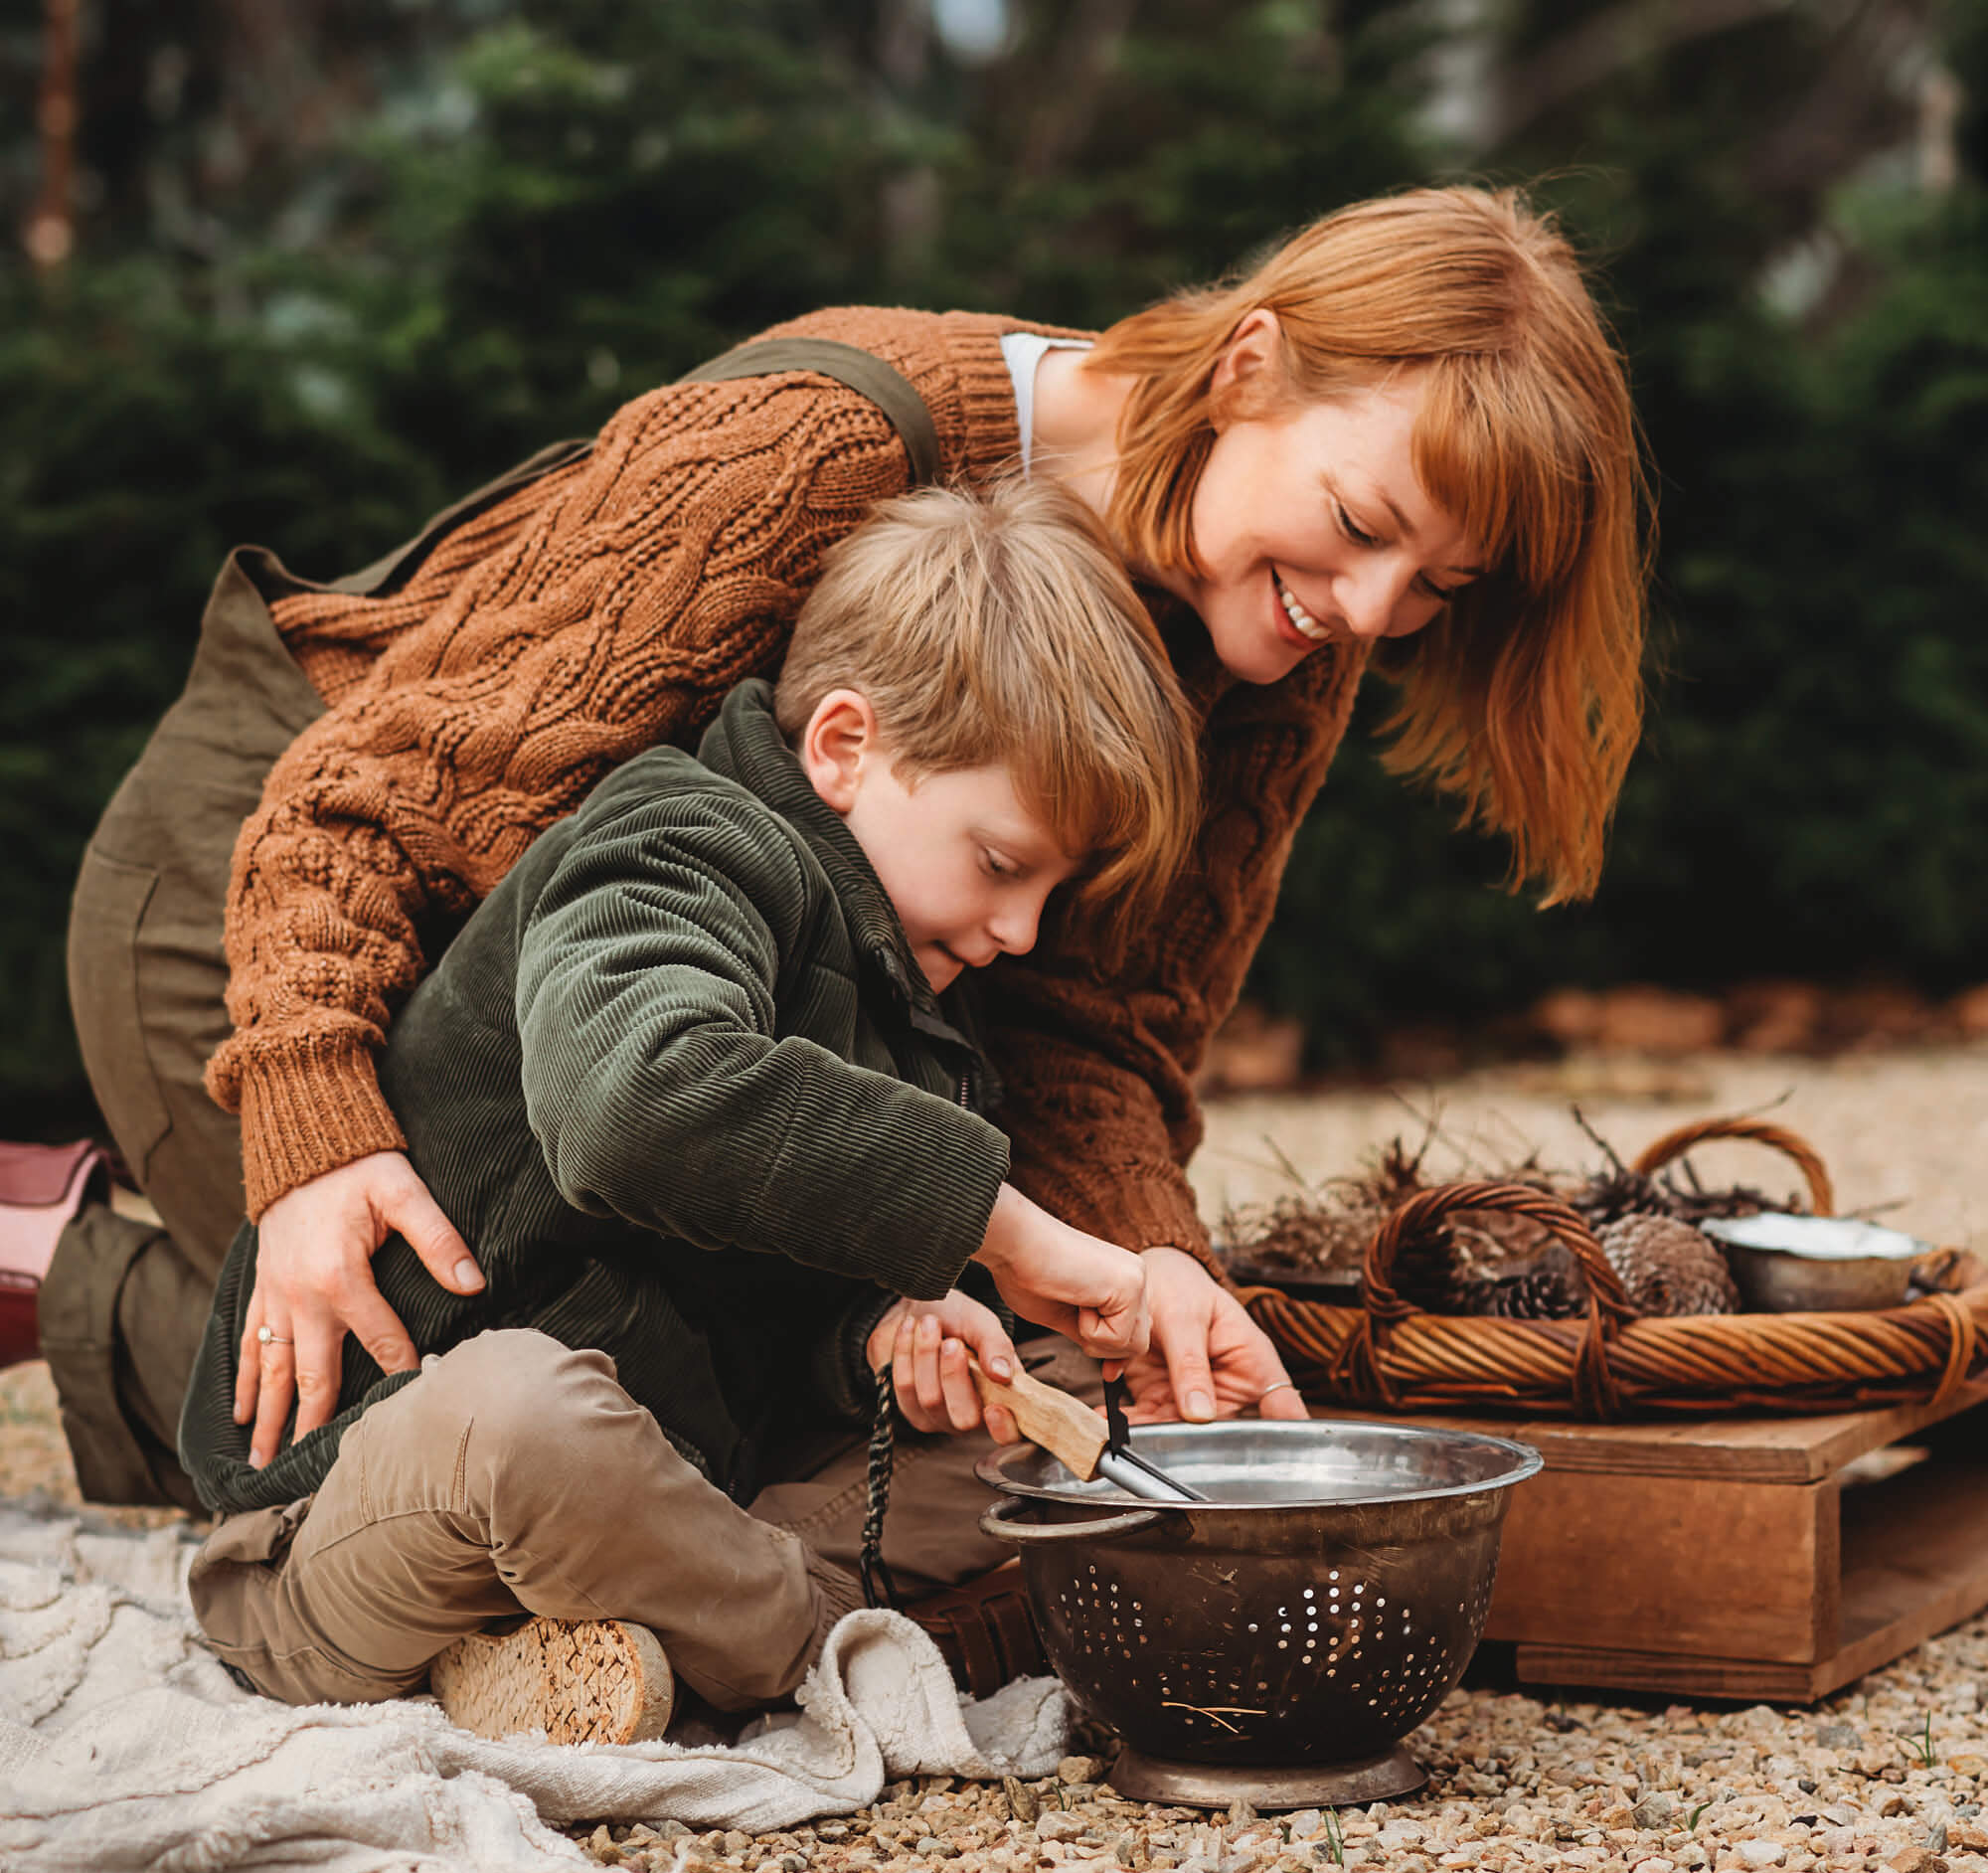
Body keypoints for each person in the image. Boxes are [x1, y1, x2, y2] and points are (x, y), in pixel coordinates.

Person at [9, 187, 1647, 1622]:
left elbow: (1086, 1034)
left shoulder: (1279, 637)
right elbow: (377, 803)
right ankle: (54, 1258)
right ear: (1247, 369)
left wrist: (1149, 1280)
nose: (1367, 611)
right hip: (288, 890)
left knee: (808, 1416)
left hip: (639, 1027)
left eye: (1436, 588)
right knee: (399, 1414)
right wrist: (312, 1120)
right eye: (1362, 527)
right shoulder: (825, 448)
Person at [175, 475, 1201, 1740]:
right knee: (526, 1415)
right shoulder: (672, 843)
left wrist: (881, 1338)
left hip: (675, 1483)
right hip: (362, 1500)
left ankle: (609, 1642)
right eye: (1000, 864)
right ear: (842, 745)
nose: (1017, 930)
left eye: (1051, 889)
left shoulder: (910, 996)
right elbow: (633, 1102)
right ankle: (831, 1644)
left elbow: (755, 1302)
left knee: (1048, 1399)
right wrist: (1002, 1227)